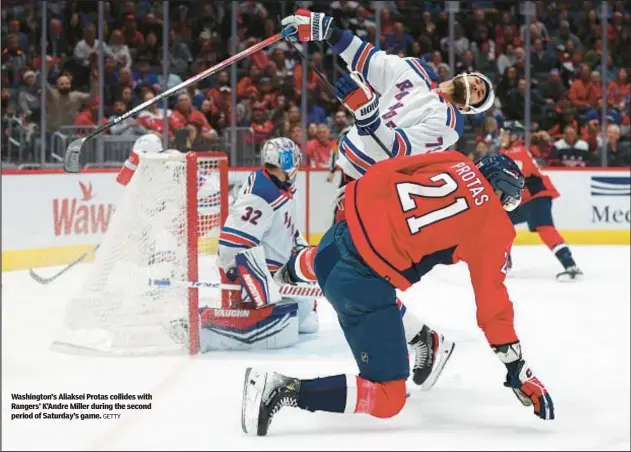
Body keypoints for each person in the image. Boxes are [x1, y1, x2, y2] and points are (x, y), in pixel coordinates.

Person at [242, 151, 555, 437]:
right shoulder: (495, 224)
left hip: (336, 238)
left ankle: (293, 268)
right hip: (361, 284)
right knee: (390, 397)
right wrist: (516, 368)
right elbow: (493, 306)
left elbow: (389, 168)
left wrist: (353, 195)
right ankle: (282, 390)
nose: (505, 208)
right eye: (507, 200)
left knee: (348, 258)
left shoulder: (456, 160)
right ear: (500, 190)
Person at [279, 7, 496, 387]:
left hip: (373, 184)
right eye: (477, 83)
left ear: (469, 108)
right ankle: (423, 337)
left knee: (350, 270)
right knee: (349, 270)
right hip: (351, 170)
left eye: (479, 97)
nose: (476, 90)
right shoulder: (413, 69)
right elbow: (365, 58)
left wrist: (367, 115)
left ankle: (418, 336)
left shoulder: (448, 124)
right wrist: (324, 30)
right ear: (464, 75)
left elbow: (395, 150)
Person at [214, 138, 318, 350]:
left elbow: (288, 229)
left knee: (308, 320)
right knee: (296, 322)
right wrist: (251, 289)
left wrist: (303, 251)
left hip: (277, 274)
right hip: (256, 281)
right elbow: (231, 248)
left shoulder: (281, 186)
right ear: (286, 162)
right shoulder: (261, 194)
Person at [496, 126, 584, 281]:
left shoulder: (517, 152)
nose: (501, 137)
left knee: (545, 229)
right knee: (502, 224)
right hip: (523, 199)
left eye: (504, 134)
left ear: (514, 136)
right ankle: (504, 264)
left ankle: (570, 266)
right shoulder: (507, 152)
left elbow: (512, 178)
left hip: (536, 196)